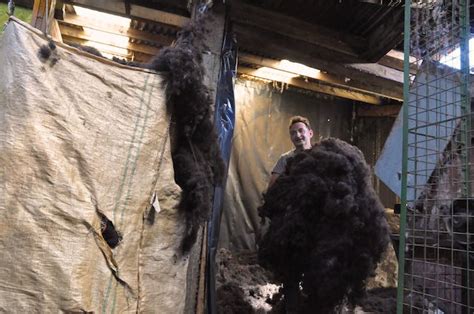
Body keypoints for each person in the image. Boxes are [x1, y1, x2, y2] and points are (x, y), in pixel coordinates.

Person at [268, 115, 314, 188]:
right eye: (293, 133)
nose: (297, 135)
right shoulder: (285, 159)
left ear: (310, 133)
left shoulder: (322, 155)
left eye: (301, 131)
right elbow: (272, 187)